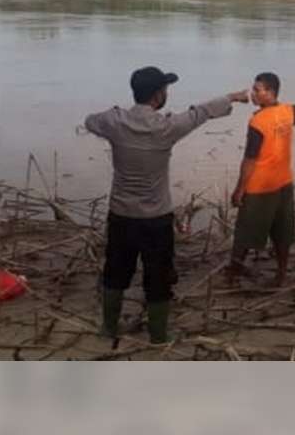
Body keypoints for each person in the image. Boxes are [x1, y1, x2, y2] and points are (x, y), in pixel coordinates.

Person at [85, 66, 249, 343]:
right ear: (158, 95)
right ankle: (158, 335)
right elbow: (201, 112)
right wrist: (232, 97)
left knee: (115, 271)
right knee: (158, 277)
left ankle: (108, 328)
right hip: (155, 219)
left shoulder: (114, 122)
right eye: (165, 89)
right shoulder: (167, 127)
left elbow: (90, 121)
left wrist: (115, 120)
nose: (166, 94)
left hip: (122, 216)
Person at [227, 72, 295, 287]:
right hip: (283, 184)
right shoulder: (287, 112)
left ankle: (233, 273)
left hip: (260, 187)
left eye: (257, 90)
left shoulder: (258, 121)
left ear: (270, 93)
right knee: (282, 233)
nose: (252, 93)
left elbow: (250, 160)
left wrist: (239, 190)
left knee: (245, 232)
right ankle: (281, 274)